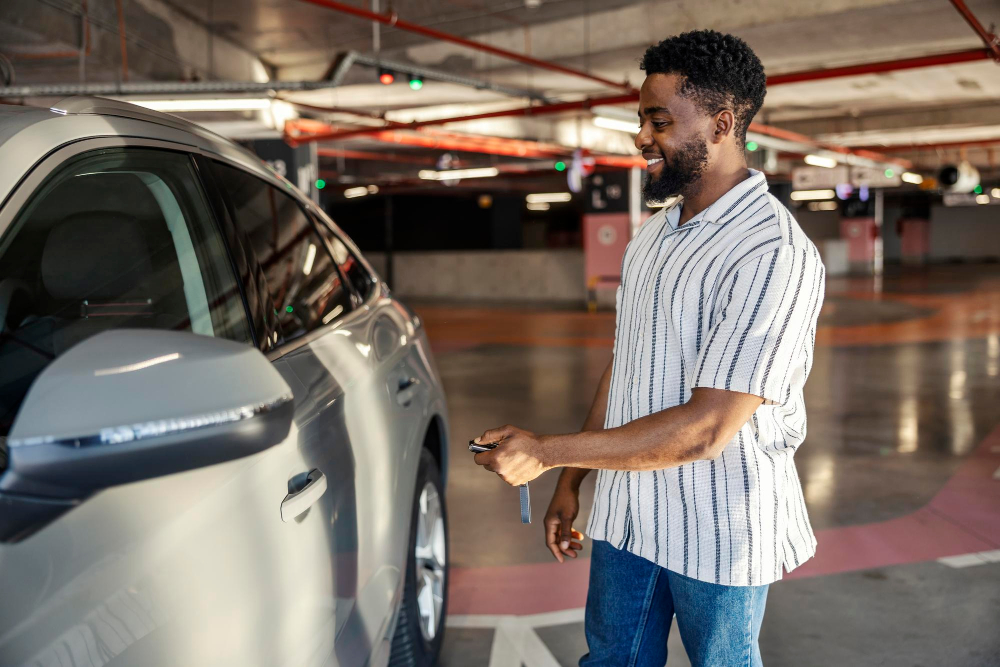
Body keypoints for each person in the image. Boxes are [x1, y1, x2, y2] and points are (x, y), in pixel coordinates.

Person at [472, 29, 826, 667]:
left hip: (718, 526)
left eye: (658, 122)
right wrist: (573, 481)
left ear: (721, 124)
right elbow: (626, 366)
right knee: (611, 660)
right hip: (629, 513)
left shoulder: (772, 252)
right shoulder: (654, 236)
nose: (640, 137)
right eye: (641, 121)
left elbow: (708, 428)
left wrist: (548, 452)